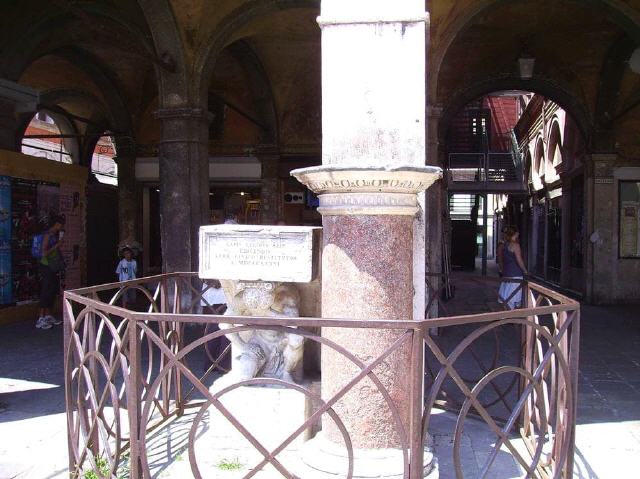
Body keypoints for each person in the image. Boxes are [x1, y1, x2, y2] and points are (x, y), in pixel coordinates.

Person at [36, 215, 65, 329]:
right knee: (46, 290)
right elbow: (44, 253)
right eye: (61, 224)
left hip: (52, 267)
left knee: (52, 290)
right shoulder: (47, 235)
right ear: (56, 224)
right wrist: (56, 246)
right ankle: (40, 318)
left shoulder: (53, 235)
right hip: (45, 265)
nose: (61, 226)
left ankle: (48, 315)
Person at [498, 226, 529, 309]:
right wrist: (525, 271)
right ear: (516, 233)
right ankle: (512, 317)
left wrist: (501, 269)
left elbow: (500, 259)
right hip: (516, 274)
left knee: (506, 296)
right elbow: (519, 260)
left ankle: (507, 316)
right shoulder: (515, 245)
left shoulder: (502, 245)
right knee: (514, 297)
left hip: (506, 273)